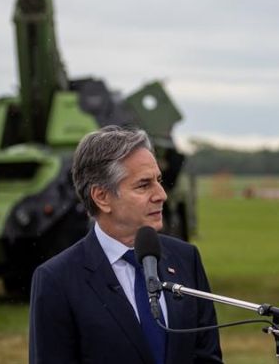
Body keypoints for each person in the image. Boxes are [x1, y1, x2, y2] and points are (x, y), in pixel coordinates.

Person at [29, 125, 222, 363]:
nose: (161, 194)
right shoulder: (57, 279)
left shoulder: (186, 259)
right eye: (143, 185)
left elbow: (207, 356)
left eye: (159, 180)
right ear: (101, 197)